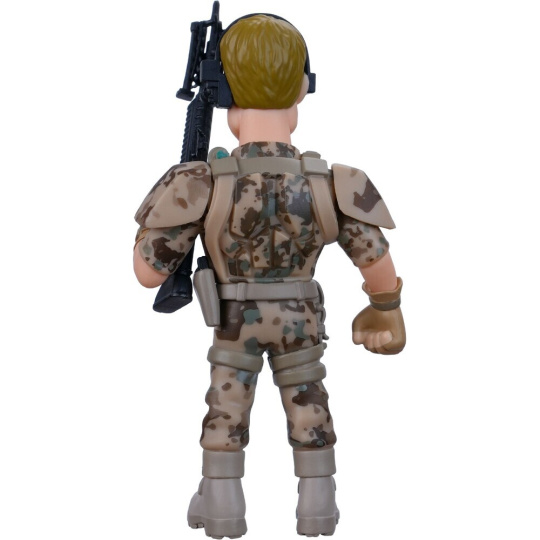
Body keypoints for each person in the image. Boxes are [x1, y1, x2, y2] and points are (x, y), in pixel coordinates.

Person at [133, 13, 405, 539]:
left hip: (234, 319)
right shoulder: (333, 182)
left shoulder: (200, 181)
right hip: (302, 320)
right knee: (309, 399)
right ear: (302, 89)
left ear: (223, 95)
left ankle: (221, 505)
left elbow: (147, 273)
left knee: (226, 406)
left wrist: (163, 211)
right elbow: (375, 260)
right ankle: (318, 503)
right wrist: (385, 309)